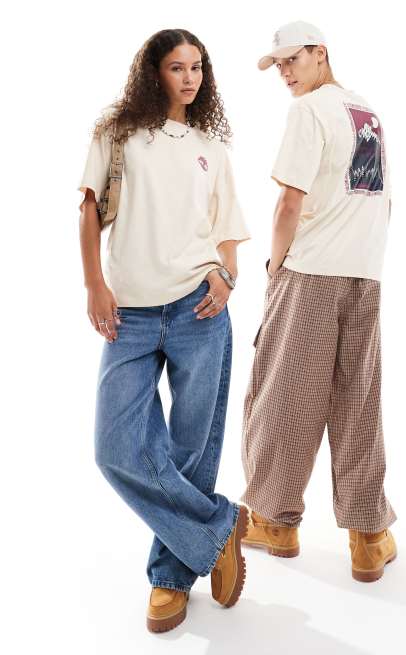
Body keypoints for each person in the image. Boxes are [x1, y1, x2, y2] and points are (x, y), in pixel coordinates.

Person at [77, 28, 251, 633]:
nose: (189, 78)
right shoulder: (116, 131)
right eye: (177, 67)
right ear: (154, 72)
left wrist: (227, 277)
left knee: (190, 448)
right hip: (129, 312)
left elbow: (227, 228)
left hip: (199, 307)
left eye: (197, 67)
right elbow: (89, 208)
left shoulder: (210, 147)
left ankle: (170, 577)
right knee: (114, 448)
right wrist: (94, 284)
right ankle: (219, 527)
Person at [240, 21, 398, 583]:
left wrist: (274, 266)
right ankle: (368, 538)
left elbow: (289, 202)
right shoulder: (366, 111)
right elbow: (382, 198)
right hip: (364, 273)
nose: (285, 72)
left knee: (284, 396)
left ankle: (273, 522)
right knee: (358, 400)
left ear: (320, 54)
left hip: (310, 272)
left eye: (293, 59)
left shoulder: (308, 111)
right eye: (278, 64)